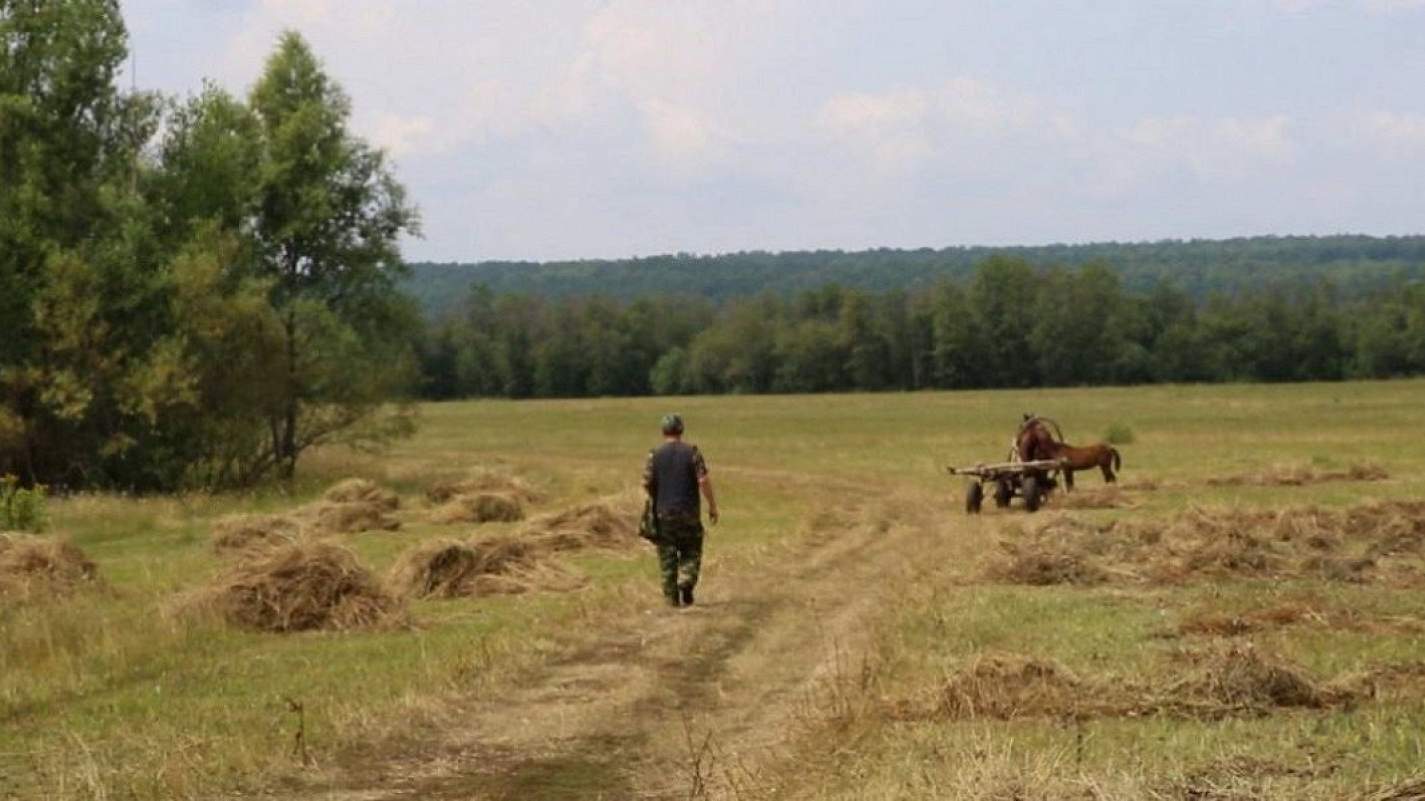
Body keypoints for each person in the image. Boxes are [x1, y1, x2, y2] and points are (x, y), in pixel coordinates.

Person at [642, 413, 719, 607]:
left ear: (663, 431)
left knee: (667, 556)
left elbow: (646, 482)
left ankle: (671, 599)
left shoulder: (655, 454)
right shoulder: (692, 452)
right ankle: (686, 581)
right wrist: (712, 506)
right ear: (681, 430)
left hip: (664, 513)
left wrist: (656, 496)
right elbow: (703, 480)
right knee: (692, 550)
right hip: (689, 513)